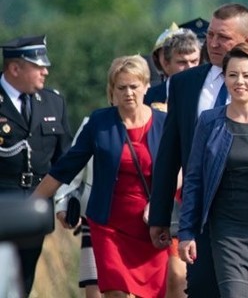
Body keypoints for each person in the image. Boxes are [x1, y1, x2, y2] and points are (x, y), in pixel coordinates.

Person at [32, 55, 169, 298]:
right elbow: (67, 166)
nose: (128, 93)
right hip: (109, 224)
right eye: (122, 87)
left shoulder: (164, 123)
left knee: (152, 292)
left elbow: (178, 171)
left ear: (147, 86)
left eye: (134, 86)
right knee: (114, 290)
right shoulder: (99, 122)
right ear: (112, 90)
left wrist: (161, 202)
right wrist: (32, 203)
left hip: (151, 224)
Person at [149, 3, 248, 298]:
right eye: (210, 35)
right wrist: (160, 214)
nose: (213, 43)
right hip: (200, 213)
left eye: (223, 37)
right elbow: (170, 153)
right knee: (202, 289)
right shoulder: (185, 83)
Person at [178, 44, 248, 297]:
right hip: (228, 231)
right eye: (232, 75)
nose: (239, 81)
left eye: (247, 75)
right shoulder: (209, 121)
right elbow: (194, 179)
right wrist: (186, 232)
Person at [0, 35, 71, 296]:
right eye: (37, 65)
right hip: (2, 202)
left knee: (23, 279)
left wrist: (64, 203)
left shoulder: (53, 102)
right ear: (15, 68)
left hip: (34, 207)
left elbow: (65, 159)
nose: (45, 71)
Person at [142, 28, 202, 298]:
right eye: (182, 62)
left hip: (190, 192)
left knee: (183, 274)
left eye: (193, 61)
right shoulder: (147, 96)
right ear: (165, 63)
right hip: (155, 195)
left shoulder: (207, 92)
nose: (188, 67)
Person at [53, 116, 100, 298]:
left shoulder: (152, 120)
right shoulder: (91, 123)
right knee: (94, 285)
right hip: (94, 215)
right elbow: (73, 166)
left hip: (137, 216)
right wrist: (62, 203)